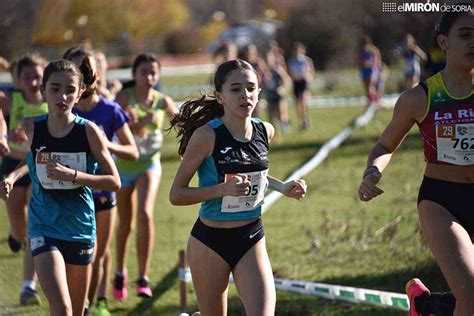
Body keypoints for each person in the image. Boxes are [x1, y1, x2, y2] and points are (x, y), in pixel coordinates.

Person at [358, 8, 473, 316]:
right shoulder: (420, 98)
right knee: (471, 294)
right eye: (465, 35)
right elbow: (385, 144)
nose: (473, 42)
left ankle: (424, 305)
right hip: (443, 202)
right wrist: (372, 172)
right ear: (443, 42)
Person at [169, 59, 307, 315]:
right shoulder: (206, 137)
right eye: (236, 89)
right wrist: (221, 190)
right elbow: (176, 194)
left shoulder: (265, 130)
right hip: (210, 241)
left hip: (251, 237)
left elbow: (254, 175)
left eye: (251, 88)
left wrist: (282, 186)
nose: (245, 95)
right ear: (220, 97)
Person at [0, 58, 121, 316]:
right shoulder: (32, 127)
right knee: (62, 307)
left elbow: (114, 181)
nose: (62, 96)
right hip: (44, 223)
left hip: (79, 226)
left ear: (79, 94)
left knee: (76, 312)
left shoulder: (89, 132)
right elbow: (33, 160)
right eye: (55, 88)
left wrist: (74, 175)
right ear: (43, 91)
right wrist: (11, 177)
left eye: (69, 90)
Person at [63, 45, 139, 316]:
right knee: (74, 257)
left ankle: (93, 304)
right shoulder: (62, 110)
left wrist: (107, 145)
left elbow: (132, 151)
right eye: (77, 67)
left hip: (103, 193)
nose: (84, 73)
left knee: (96, 254)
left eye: (88, 67)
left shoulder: (109, 110)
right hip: (69, 194)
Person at [113, 53, 177, 301]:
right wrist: (139, 124)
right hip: (124, 167)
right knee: (125, 224)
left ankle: (143, 277)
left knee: (145, 214)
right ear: (135, 75)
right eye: (144, 72)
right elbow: (115, 134)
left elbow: (182, 123)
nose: (149, 77)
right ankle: (120, 272)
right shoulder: (123, 100)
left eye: (153, 73)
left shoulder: (162, 101)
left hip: (149, 165)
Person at [0, 54, 48, 305]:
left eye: (37, 77)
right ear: (17, 80)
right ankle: (14, 234)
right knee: (20, 231)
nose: (32, 82)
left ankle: (28, 286)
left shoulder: (52, 101)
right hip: (11, 166)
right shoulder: (10, 99)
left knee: (34, 226)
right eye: (26, 77)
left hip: (37, 170)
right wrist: (3, 134)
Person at [288, 42, 315, 130]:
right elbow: (290, 72)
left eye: (298, 50)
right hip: (296, 83)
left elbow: (311, 71)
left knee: (303, 100)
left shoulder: (306, 60)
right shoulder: (292, 61)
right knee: (298, 104)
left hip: (304, 82)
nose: (297, 52)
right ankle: (303, 120)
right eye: (295, 50)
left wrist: (309, 77)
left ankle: (306, 118)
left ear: (302, 51)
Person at [264, 51, 292, 135]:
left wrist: (282, 88)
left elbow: (287, 80)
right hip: (269, 95)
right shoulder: (264, 71)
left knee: (281, 115)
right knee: (270, 116)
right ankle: (274, 133)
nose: (268, 61)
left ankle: (285, 126)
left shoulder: (278, 70)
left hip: (278, 95)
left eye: (270, 59)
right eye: (267, 60)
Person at [358, 36, 381, 108]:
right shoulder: (361, 52)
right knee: (367, 88)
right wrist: (363, 64)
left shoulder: (374, 50)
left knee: (371, 86)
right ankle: (370, 102)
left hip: (373, 70)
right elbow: (359, 63)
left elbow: (377, 61)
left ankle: (377, 101)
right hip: (364, 71)